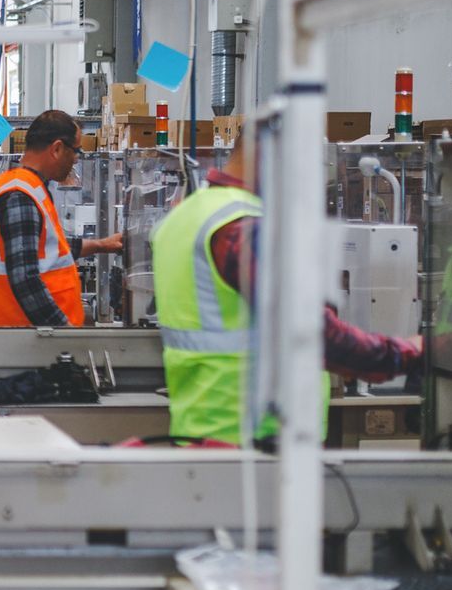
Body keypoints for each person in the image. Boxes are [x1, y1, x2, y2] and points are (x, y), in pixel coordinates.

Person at [151, 142, 421, 446]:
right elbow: (312, 333)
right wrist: (409, 352)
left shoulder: (184, 218)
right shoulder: (244, 227)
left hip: (203, 434)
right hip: (253, 448)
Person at [0, 110, 122, 326]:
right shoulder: (20, 195)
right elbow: (25, 280)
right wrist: (63, 332)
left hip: (30, 337)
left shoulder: (25, 187)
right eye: (76, 150)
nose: (76, 159)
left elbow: (49, 249)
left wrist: (102, 245)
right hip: (25, 338)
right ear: (57, 149)